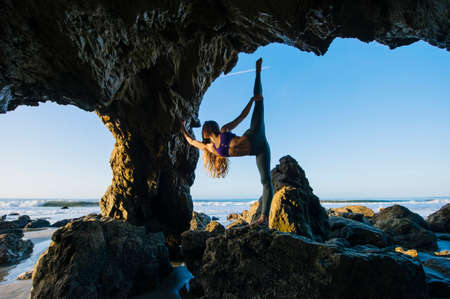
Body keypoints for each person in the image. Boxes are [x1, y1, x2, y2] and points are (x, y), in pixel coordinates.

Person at [180, 58, 273, 226]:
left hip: (254, 134)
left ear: (207, 131)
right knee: (265, 181)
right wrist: (182, 127)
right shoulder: (209, 147)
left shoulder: (223, 131)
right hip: (258, 150)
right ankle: (263, 219)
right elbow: (191, 141)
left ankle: (258, 72)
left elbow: (242, 117)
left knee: (259, 100)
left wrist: (251, 102)